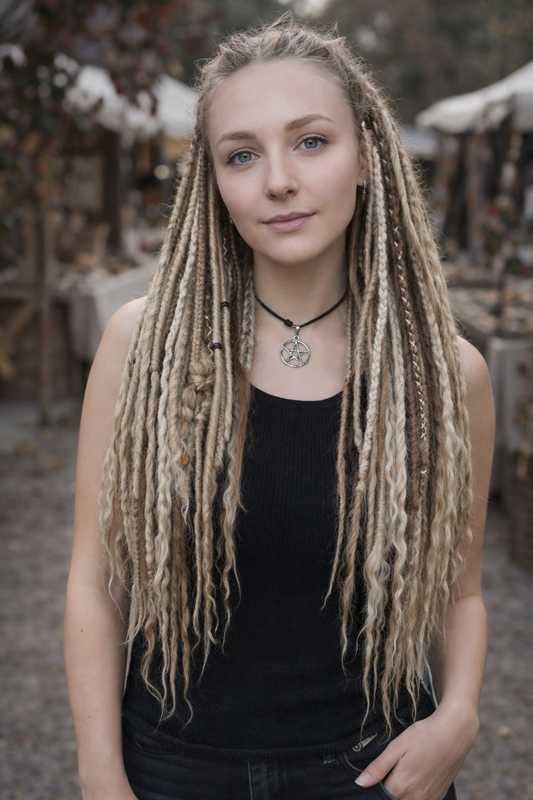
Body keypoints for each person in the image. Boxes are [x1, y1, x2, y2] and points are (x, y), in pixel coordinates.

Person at [64, 16, 495, 800]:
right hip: (171, 770)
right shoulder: (143, 350)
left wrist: (458, 713)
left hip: (372, 770)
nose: (277, 181)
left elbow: (457, 594)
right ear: (213, 181)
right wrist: (100, 778)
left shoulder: (444, 374)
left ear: (365, 155)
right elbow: (96, 582)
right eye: (241, 154)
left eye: (309, 141)